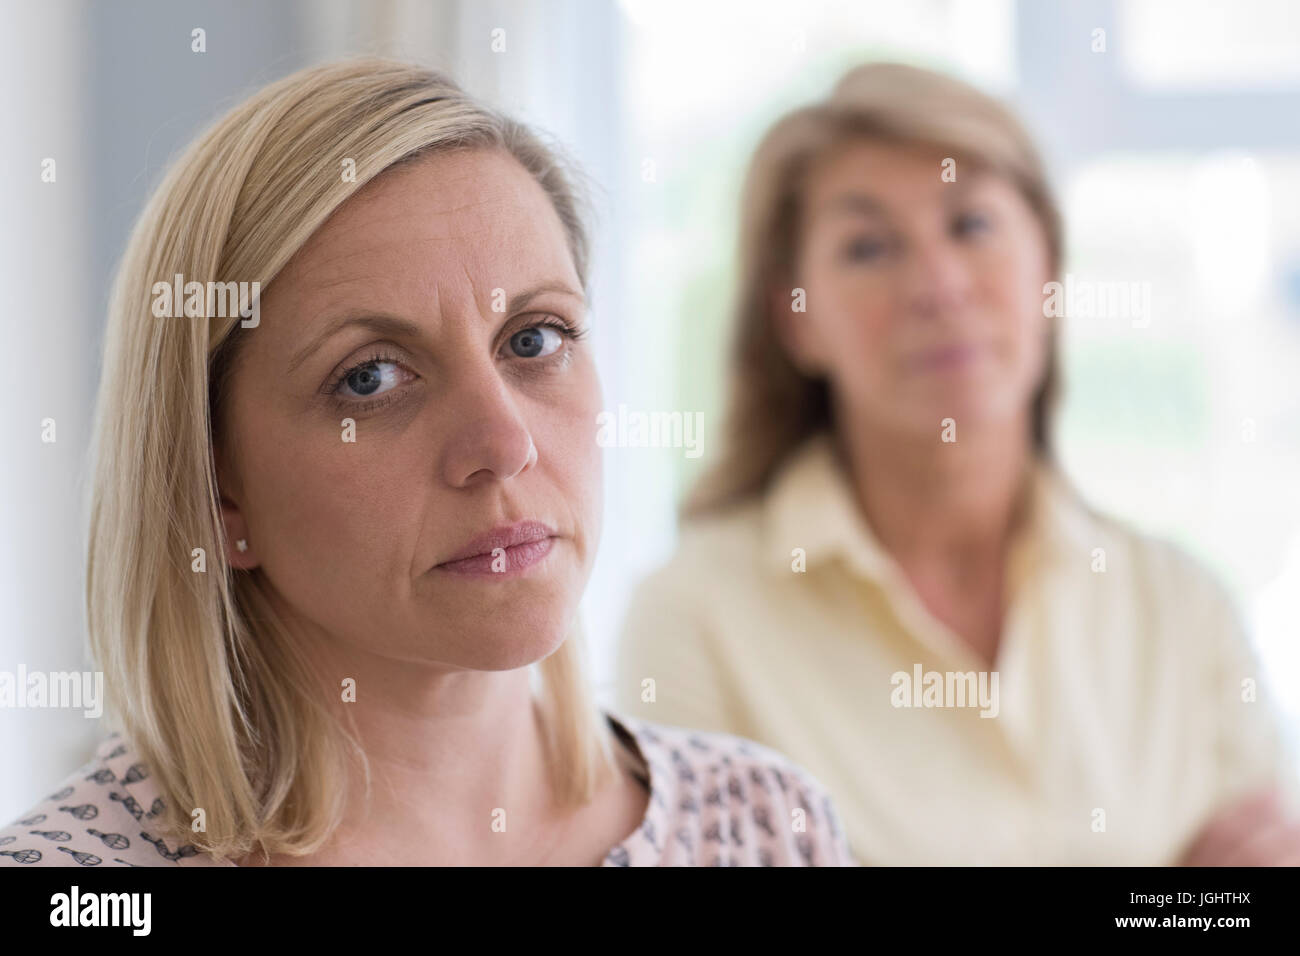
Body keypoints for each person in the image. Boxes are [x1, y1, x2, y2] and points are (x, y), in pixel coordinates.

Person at [0, 58, 854, 868]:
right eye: (369, 378)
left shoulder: (767, 826)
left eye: (534, 339)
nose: (503, 443)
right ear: (219, 492)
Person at [615, 62, 1300, 865]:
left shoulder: (1186, 610)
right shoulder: (697, 618)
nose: (937, 285)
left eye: (972, 226)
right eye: (868, 247)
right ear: (795, 320)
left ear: (1047, 268)